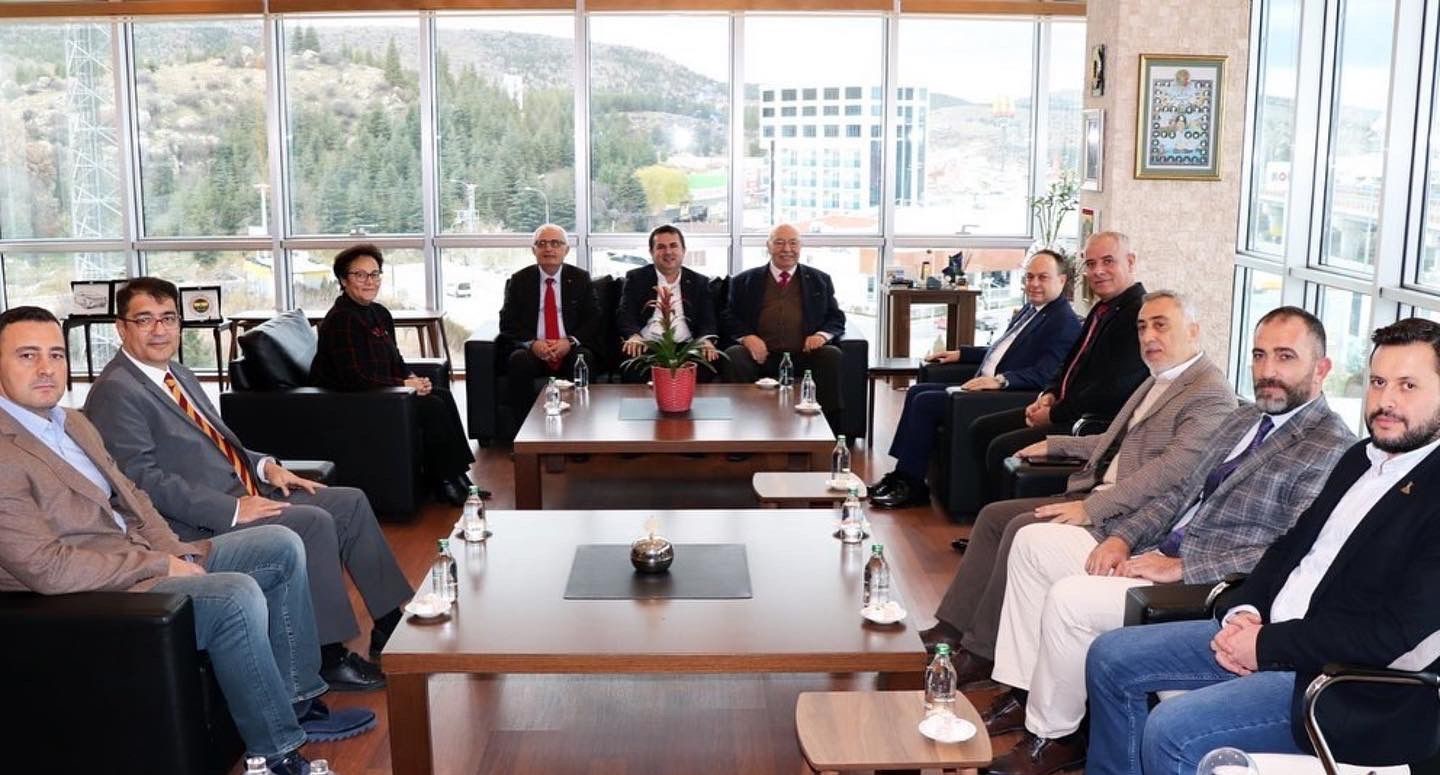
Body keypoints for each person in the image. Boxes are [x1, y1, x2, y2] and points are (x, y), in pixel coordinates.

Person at [0, 306, 375, 775]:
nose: (45, 368)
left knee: (280, 545)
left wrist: (174, 552)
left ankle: (297, 698)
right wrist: (160, 566)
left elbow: (133, 497)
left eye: (56, 354)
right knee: (235, 594)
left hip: (141, 555)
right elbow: (47, 568)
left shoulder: (71, 423)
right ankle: (275, 753)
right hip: (93, 591)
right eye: (27, 355)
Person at [982, 307, 1353, 775]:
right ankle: (1025, 693)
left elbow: (1289, 549)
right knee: (1035, 544)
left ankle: (1052, 736)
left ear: (1321, 369)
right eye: (1259, 356)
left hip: (1208, 584)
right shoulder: (1242, 420)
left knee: (1070, 600)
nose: (1268, 371)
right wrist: (1122, 537)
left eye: (1285, 357)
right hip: (1155, 547)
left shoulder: (1331, 447)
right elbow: (1181, 494)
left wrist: (1182, 567)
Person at [1084, 317, 1440, 775]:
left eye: (1408, 385)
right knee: (1110, 658)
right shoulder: (1360, 459)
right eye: (1377, 382)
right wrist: (1247, 610)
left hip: (1340, 684)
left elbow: (1388, 636)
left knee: (1172, 731)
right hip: (1272, 633)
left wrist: (1266, 645)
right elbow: (1289, 548)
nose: (1386, 400)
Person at [84, 277, 412, 693]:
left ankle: (389, 623)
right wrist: (234, 509)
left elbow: (218, 444)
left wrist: (266, 467)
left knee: (349, 501)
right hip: (197, 521)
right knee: (312, 523)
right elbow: (141, 482)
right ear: (121, 327)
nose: (159, 330)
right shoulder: (116, 391)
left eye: (168, 318)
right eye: (145, 320)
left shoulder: (176, 373)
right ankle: (327, 657)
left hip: (243, 488)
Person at [920, 291, 1236, 692]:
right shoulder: (1159, 378)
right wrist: (1057, 445)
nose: (1148, 336)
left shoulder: (1209, 393)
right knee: (993, 517)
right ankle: (952, 627)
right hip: (1098, 492)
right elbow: (1117, 442)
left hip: (1129, 516)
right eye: (1142, 327)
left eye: (1161, 325)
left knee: (1019, 527)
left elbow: (1173, 472)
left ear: (1193, 330)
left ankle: (982, 651)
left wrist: (1093, 507)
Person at [870, 249, 1081, 509]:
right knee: (916, 392)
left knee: (925, 402)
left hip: (1004, 396)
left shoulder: (1064, 322)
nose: (1034, 284)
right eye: (1029, 277)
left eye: (1043, 277)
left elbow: (1046, 374)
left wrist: (1001, 380)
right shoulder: (1032, 309)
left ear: (1061, 280)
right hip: (982, 386)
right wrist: (962, 354)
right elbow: (1002, 349)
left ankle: (911, 483)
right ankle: (903, 475)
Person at [960, 232, 1150, 513]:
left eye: (1108, 261)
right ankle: (983, 519)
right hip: (1066, 409)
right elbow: (1069, 363)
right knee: (982, 428)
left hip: (1091, 424)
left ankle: (1000, 522)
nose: (1097, 271)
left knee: (1000, 446)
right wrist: (1049, 393)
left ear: (1130, 261)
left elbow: (1112, 389)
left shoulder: (1139, 314)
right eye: (1091, 264)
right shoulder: (1103, 308)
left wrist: (1054, 413)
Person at [309, 243, 478, 506]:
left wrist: (413, 379)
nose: (369, 281)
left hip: (383, 391)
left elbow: (395, 359)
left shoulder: (379, 312)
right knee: (432, 406)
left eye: (374, 274)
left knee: (441, 395)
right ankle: (445, 481)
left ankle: (459, 475)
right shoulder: (342, 319)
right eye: (360, 275)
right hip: (352, 401)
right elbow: (355, 378)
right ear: (343, 280)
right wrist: (404, 385)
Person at [720, 223, 847, 430]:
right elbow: (729, 316)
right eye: (779, 243)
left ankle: (829, 433)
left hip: (804, 354)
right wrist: (747, 337)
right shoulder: (745, 280)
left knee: (831, 355)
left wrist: (821, 336)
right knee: (734, 355)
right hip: (760, 356)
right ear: (768, 246)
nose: (787, 249)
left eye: (793, 243)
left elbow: (836, 317)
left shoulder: (819, 280)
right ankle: (741, 430)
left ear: (800, 246)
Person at [496, 223, 602, 430]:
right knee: (518, 360)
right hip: (534, 350)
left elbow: (594, 318)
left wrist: (570, 342)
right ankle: (524, 432)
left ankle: (580, 430)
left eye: (555, 243)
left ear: (566, 250)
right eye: (542, 243)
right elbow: (507, 321)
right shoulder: (520, 280)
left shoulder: (580, 278)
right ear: (533, 250)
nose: (548, 249)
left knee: (584, 358)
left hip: (569, 348)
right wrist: (532, 343)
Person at [616, 224, 719, 383]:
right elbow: (625, 314)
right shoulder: (637, 278)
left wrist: (705, 339)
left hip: (686, 348)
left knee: (708, 362)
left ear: (683, 250)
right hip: (647, 346)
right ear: (651, 252)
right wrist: (634, 335)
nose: (668, 252)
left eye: (673, 246)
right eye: (661, 247)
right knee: (632, 362)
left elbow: (708, 319)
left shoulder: (699, 282)